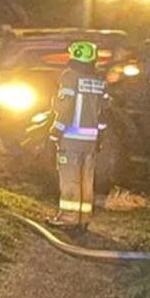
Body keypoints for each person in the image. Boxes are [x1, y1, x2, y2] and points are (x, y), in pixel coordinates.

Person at [48, 40, 107, 227]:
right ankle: (83, 219)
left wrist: (55, 130)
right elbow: (104, 112)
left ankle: (68, 218)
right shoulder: (99, 81)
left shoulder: (70, 77)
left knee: (70, 179)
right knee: (86, 180)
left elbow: (65, 107)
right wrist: (100, 137)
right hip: (91, 140)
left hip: (71, 139)